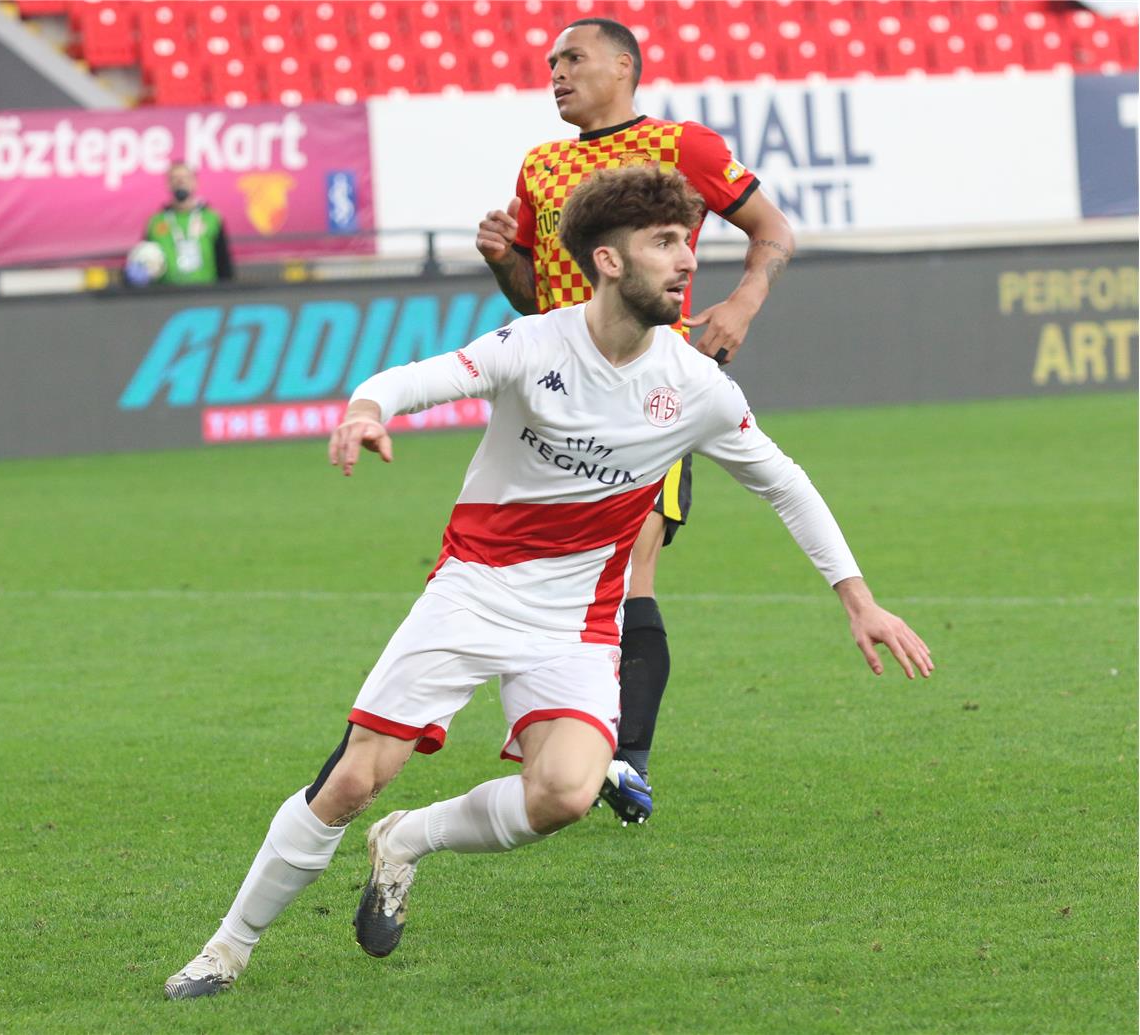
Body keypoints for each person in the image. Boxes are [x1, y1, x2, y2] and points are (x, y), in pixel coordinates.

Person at [164, 165, 932, 1000]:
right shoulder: (535, 346)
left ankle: (408, 839)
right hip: (472, 590)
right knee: (352, 777)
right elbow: (415, 379)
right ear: (607, 260)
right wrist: (365, 410)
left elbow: (783, 480)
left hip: (576, 618)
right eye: (664, 243)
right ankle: (227, 948)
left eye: (687, 242)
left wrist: (858, 598)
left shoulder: (695, 385)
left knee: (565, 792)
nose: (685, 264)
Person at [476, 18, 795, 821]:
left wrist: (743, 303)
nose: (555, 72)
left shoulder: (680, 146)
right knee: (518, 571)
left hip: (646, 388)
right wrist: (502, 260)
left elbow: (773, 231)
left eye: (572, 59)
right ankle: (560, 734)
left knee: (629, 570)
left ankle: (627, 760)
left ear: (623, 66)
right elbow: (535, 294)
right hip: (548, 400)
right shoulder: (540, 166)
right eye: (550, 62)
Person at [129, 161, 234, 286]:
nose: (180, 182)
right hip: (167, 294)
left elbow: (224, 263)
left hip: (205, 292)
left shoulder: (212, 218)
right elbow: (146, 258)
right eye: (175, 178)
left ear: (195, 182)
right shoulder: (156, 221)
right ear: (168, 184)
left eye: (185, 178)